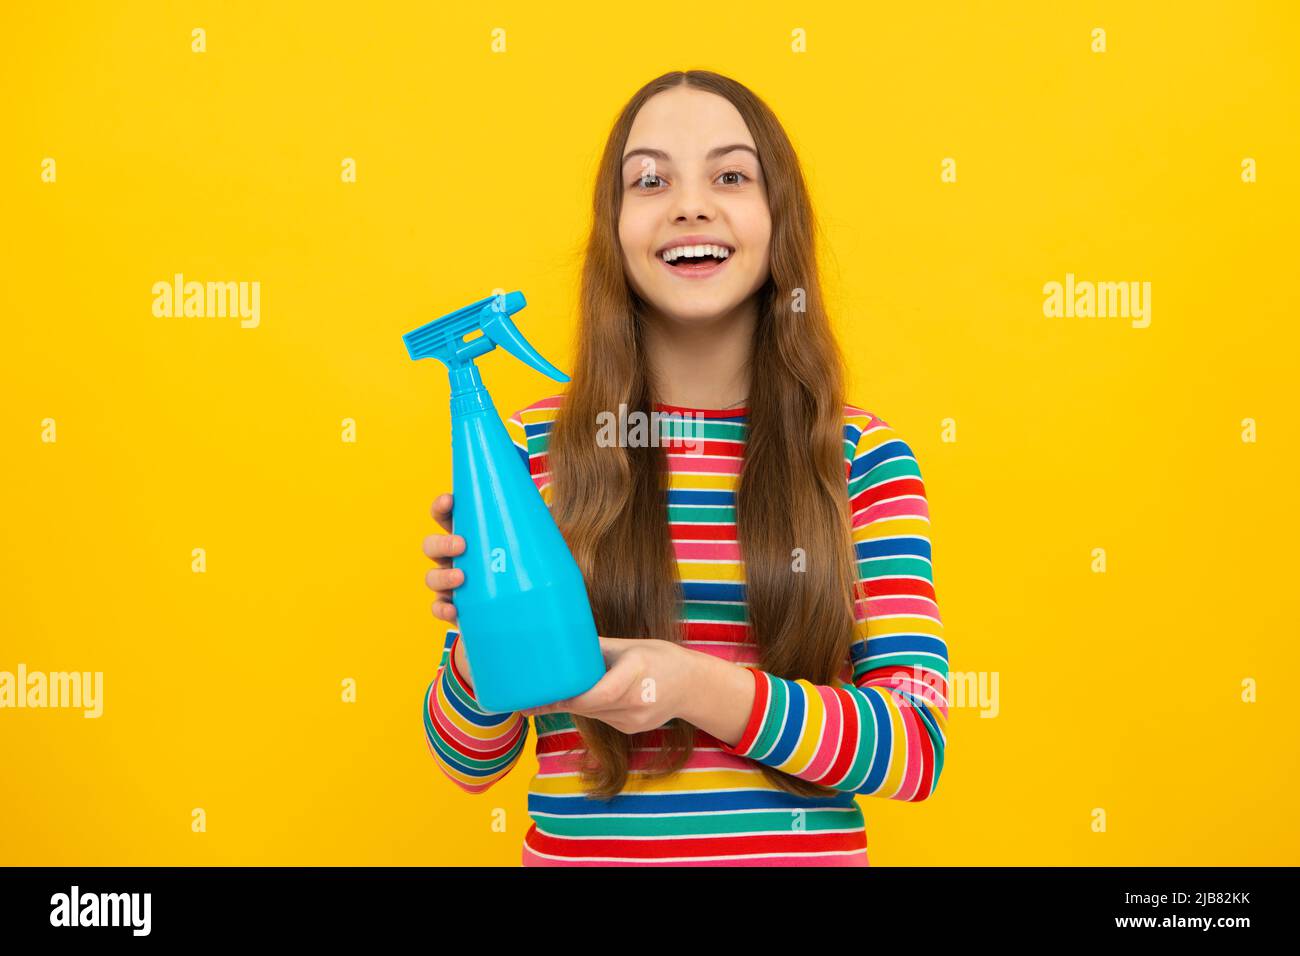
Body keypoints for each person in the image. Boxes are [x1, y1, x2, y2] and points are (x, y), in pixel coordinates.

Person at [421, 69, 949, 866]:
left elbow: (912, 746)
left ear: (780, 222)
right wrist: (479, 639)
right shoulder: (528, 454)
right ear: (616, 228)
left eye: (730, 175)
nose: (689, 204)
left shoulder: (861, 458)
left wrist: (692, 686)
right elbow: (466, 761)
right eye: (651, 180)